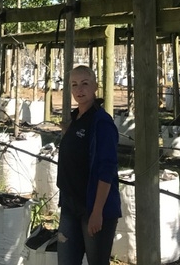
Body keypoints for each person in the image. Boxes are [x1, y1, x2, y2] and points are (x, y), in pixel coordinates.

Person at [56, 64, 121, 265]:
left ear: (95, 87)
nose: (79, 89)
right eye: (74, 85)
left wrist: (97, 212)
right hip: (70, 204)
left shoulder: (102, 122)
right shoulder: (76, 118)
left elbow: (106, 168)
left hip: (93, 207)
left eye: (85, 84)